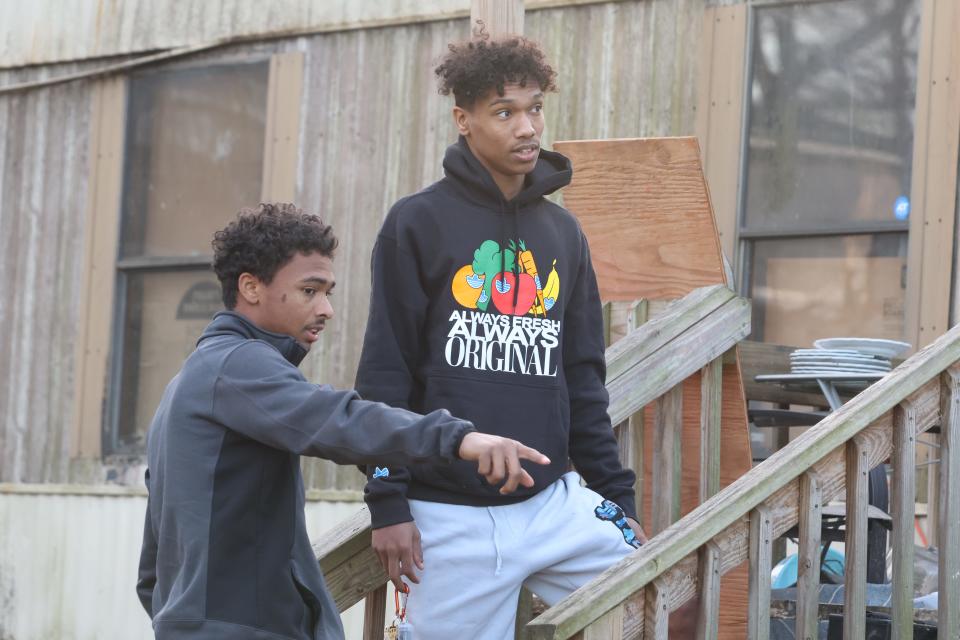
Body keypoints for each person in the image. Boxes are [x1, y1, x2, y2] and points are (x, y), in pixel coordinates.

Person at [136, 203, 549, 640]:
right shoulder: (239, 365)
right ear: (251, 288)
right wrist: (459, 438)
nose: (327, 309)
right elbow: (339, 419)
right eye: (310, 291)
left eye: (328, 291)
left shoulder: (191, 381)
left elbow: (152, 568)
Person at [355, 38, 647, 639]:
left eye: (535, 108)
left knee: (659, 602)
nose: (527, 127)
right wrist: (389, 503)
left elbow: (583, 377)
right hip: (447, 515)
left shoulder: (564, 234)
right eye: (505, 111)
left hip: (555, 505)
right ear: (464, 120)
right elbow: (387, 372)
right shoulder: (416, 223)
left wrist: (619, 500)